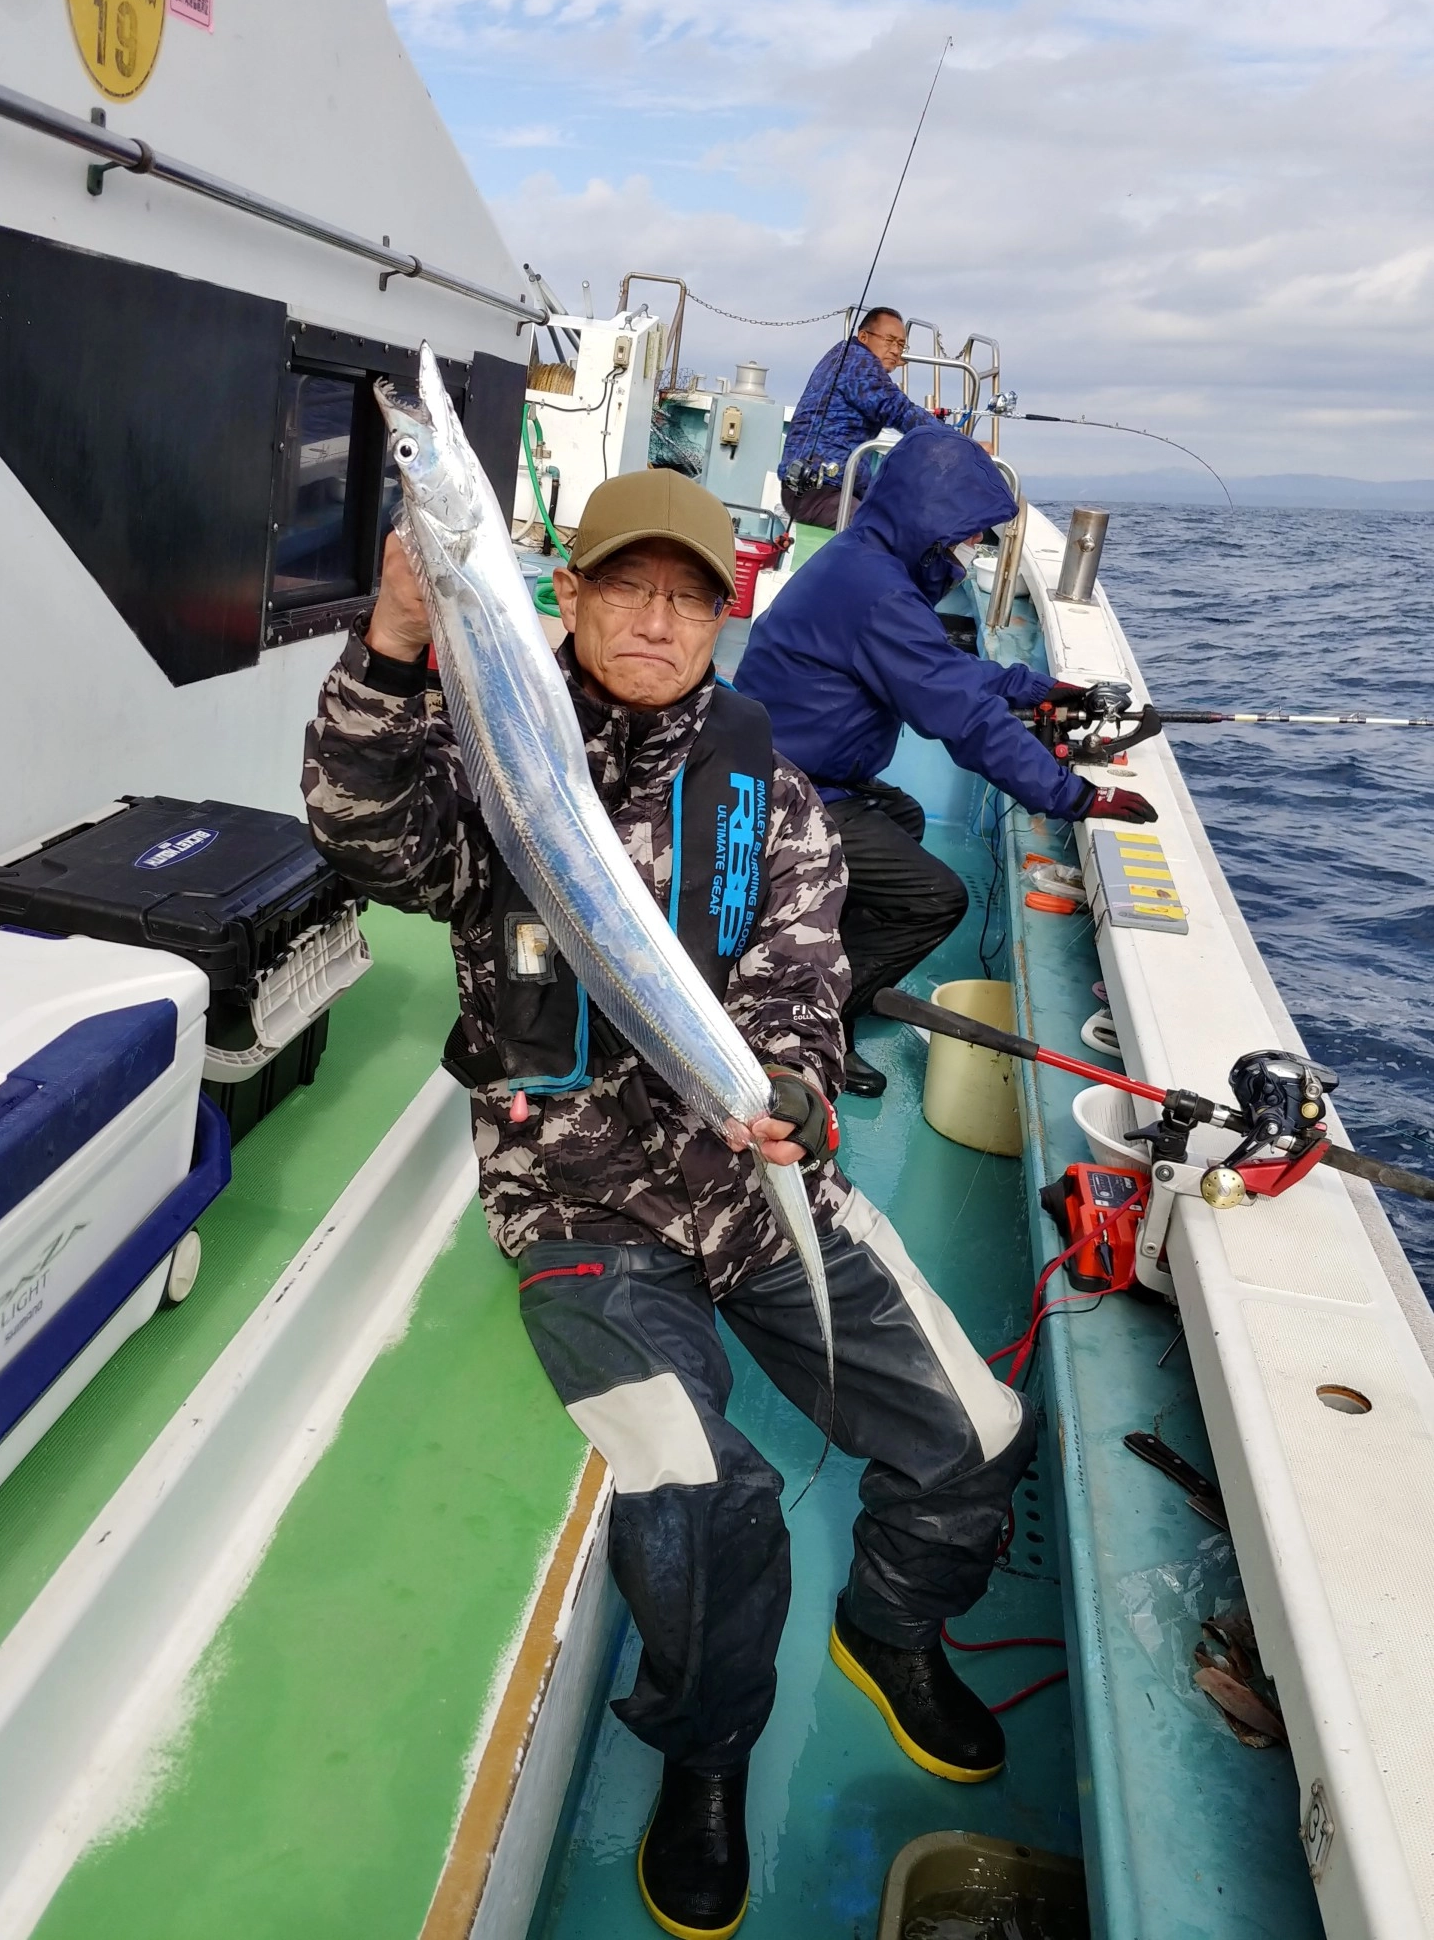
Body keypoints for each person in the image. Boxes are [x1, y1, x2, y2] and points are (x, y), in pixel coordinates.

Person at [303, 469, 1036, 1940]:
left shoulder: (778, 785)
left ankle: (888, 1628)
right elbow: (363, 838)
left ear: (727, 612)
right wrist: (387, 651)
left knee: (981, 1436)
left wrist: (797, 1090)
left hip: (753, 1177)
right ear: (565, 600)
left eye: (688, 595)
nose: (655, 619)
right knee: (705, 1501)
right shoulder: (495, 760)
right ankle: (707, 1756)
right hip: (580, 1206)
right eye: (622, 588)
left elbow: (811, 982)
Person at [736, 425, 1157, 1099]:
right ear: (927, 519)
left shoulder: (866, 562)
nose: (965, 550)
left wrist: (1033, 687)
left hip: (793, 767)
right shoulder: (876, 591)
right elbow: (963, 719)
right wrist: (1076, 797)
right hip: (785, 791)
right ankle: (819, 1024)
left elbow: (938, 672)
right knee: (934, 899)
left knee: (900, 814)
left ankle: (821, 956)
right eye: (962, 533)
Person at [778, 307, 940, 528]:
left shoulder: (849, 358)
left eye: (901, 345)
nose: (895, 350)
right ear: (863, 337)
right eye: (889, 341)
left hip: (826, 487)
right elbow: (896, 409)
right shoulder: (857, 363)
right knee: (882, 532)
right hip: (819, 490)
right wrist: (953, 440)